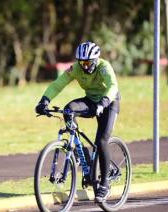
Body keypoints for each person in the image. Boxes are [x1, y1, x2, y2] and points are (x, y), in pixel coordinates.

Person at [35, 41, 120, 203]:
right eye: (81, 62)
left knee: (101, 141)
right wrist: (44, 101)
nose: (84, 66)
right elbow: (58, 84)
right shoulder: (76, 68)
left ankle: (104, 184)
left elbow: (113, 86)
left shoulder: (104, 67)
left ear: (95, 60)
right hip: (91, 100)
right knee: (68, 110)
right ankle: (84, 156)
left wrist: (103, 104)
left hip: (109, 103)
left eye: (88, 62)